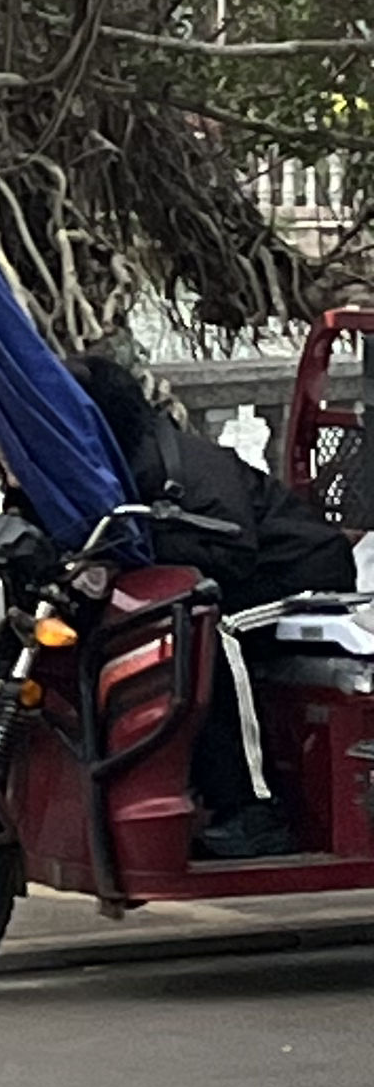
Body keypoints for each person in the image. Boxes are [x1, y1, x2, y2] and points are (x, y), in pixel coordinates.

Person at [78, 348, 354, 857]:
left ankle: (255, 807)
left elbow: (233, 552)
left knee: (213, 633)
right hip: (241, 578)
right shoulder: (105, 470)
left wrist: (139, 544)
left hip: (300, 577)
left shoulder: (183, 466)